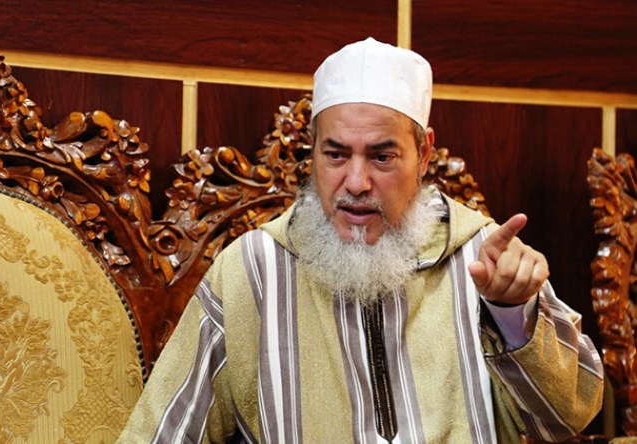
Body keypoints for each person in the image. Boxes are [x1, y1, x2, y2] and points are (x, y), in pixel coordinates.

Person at [118, 37, 604, 443]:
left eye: (381, 157)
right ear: (312, 151)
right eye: (335, 155)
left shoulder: (483, 257)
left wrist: (513, 317)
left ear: (424, 153)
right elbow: (161, 434)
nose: (355, 182)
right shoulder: (252, 272)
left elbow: (569, 417)